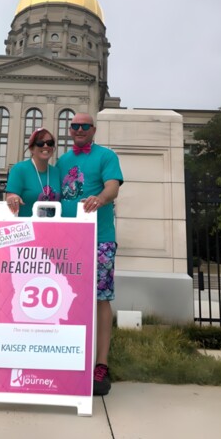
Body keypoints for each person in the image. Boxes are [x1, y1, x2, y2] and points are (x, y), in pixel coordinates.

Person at [57, 113, 123, 396]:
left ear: (93, 130)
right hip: (67, 239)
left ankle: (101, 365)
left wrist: (101, 198)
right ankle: (67, 356)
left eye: (85, 126)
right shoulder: (62, 162)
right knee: (64, 298)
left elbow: (113, 186)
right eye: (75, 126)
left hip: (99, 240)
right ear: (70, 130)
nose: (80, 129)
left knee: (100, 298)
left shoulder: (106, 156)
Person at [6, 128, 60, 216]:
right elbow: (10, 196)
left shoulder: (56, 172)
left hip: (51, 227)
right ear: (31, 148)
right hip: (27, 227)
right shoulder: (19, 169)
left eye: (50, 143)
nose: (45, 146)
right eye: (40, 143)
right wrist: (13, 198)